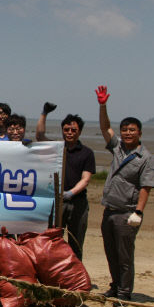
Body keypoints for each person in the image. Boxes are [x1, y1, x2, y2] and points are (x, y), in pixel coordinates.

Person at [96, 85, 154, 302]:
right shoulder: (118, 148)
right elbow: (105, 128)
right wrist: (103, 105)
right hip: (109, 210)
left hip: (127, 213)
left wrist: (138, 213)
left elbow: (146, 187)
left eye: (132, 130)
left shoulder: (146, 158)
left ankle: (124, 291)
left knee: (124, 255)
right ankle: (115, 286)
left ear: (140, 132)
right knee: (111, 253)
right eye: (125, 130)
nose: (128, 133)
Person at [36, 103, 96, 260]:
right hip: (57, 203)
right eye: (66, 130)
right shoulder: (56, 148)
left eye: (74, 130)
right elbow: (40, 136)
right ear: (62, 130)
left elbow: (86, 179)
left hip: (78, 203)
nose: (69, 133)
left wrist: (70, 193)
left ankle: (75, 278)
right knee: (53, 240)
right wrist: (44, 114)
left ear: (80, 132)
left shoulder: (87, 153)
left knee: (76, 242)